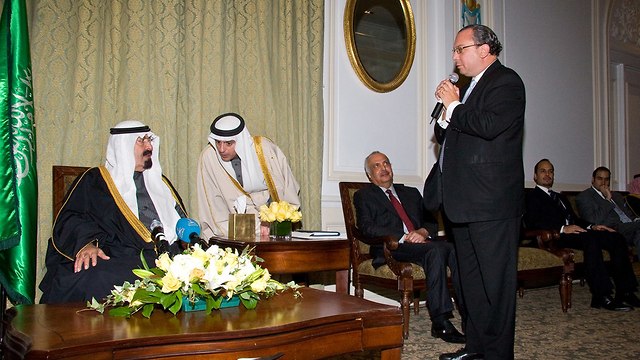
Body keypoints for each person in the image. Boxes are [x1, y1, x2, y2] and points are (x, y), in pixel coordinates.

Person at [426, 24, 525, 360]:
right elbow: (451, 138)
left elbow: (488, 126)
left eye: (460, 49)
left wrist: (454, 106)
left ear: (484, 49)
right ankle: (477, 349)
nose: (455, 58)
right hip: (462, 203)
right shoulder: (468, 88)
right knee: (471, 286)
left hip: (491, 203)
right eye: (454, 51)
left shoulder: (507, 82)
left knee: (495, 287)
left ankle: (497, 355)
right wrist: (444, 115)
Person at [40, 120, 187, 303]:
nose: (149, 146)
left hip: (168, 255)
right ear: (123, 146)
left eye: (149, 139)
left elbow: (182, 220)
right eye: (141, 141)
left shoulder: (161, 183)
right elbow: (71, 218)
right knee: (97, 276)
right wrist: (86, 244)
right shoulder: (96, 180)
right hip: (121, 255)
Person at [354, 151, 465, 344]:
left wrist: (422, 232)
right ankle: (440, 321)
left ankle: (469, 314)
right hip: (393, 247)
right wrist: (404, 236)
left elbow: (430, 221)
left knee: (457, 249)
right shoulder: (364, 196)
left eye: (386, 163)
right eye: (376, 166)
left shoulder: (411, 193)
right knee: (437, 251)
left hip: (423, 244)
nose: (383, 168)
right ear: (369, 176)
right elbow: (366, 227)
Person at [524, 159, 640, 312]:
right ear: (535, 176)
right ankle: (601, 295)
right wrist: (562, 228)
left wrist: (593, 226)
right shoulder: (530, 196)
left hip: (575, 232)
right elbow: (532, 222)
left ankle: (625, 291)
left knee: (615, 237)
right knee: (591, 240)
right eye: (543, 171)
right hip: (554, 236)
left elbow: (576, 220)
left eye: (550, 171)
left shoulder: (560, 197)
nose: (547, 174)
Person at [196, 112, 300, 239]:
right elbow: (212, 205)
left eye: (228, 143)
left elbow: (285, 189)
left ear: (240, 141)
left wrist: (271, 222)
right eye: (218, 142)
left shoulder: (264, 150)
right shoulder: (209, 158)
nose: (221, 149)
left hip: (271, 228)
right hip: (231, 229)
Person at [576, 166, 640, 254]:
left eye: (606, 179)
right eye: (600, 179)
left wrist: (635, 220)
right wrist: (607, 200)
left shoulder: (617, 196)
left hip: (631, 227)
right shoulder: (584, 196)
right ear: (593, 179)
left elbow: (628, 214)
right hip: (613, 229)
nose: (603, 183)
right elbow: (592, 220)